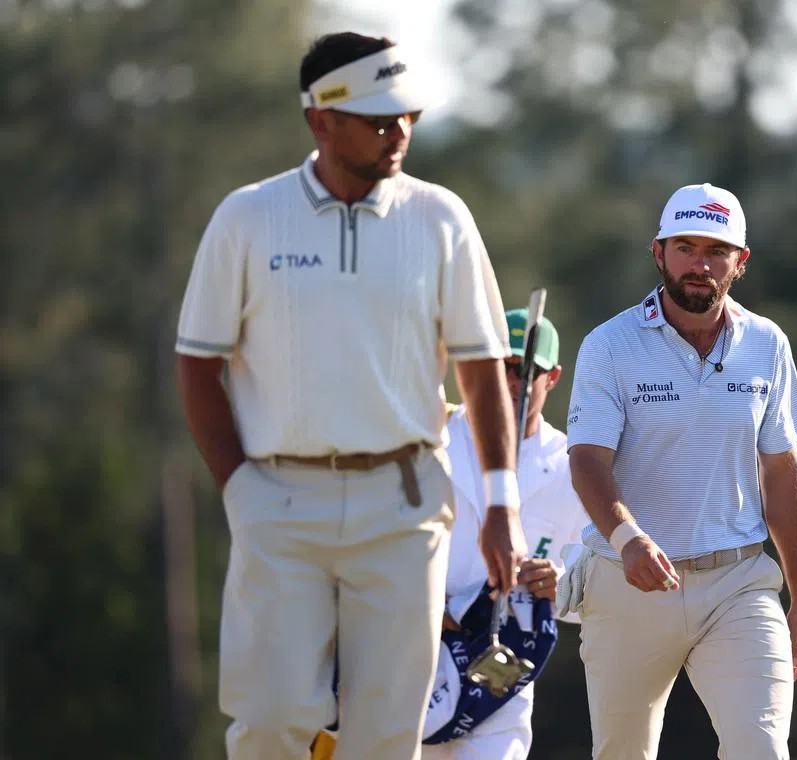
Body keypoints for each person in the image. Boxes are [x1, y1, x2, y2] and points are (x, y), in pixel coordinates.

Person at [174, 31, 528, 760]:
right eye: (375, 118)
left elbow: (483, 365)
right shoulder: (248, 218)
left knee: (387, 730)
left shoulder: (440, 219)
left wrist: (500, 501)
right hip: (280, 500)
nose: (396, 132)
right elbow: (198, 364)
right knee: (270, 721)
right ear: (319, 120)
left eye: (405, 117)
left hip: (404, 503)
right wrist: (239, 487)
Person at [563, 183, 797, 760]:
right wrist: (628, 540)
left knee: (761, 750)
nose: (699, 264)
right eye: (684, 246)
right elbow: (587, 460)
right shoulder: (610, 345)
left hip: (737, 583)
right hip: (627, 581)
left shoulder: (767, 344)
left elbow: (781, 473)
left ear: (741, 262)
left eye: (715, 250)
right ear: (658, 252)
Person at [310, 309, 590, 760]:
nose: (511, 382)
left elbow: (597, 583)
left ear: (552, 377)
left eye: (525, 371)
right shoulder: (431, 439)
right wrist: (415, 600)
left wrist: (561, 584)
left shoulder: (567, 470)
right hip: (404, 649)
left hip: (499, 678)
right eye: (500, 367)